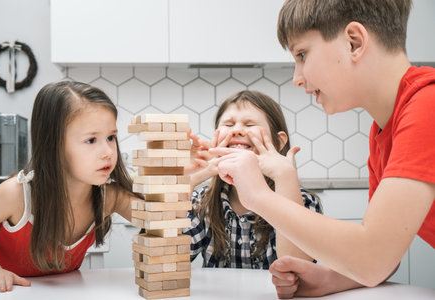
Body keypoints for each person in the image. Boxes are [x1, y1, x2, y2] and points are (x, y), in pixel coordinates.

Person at [210, 0, 435, 297]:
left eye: (302, 54)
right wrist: (330, 279)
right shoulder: (384, 129)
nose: (297, 78)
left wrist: (257, 195)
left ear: (354, 42)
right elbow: (386, 253)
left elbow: (373, 256)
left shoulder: (427, 107)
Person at [0, 81, 143, 293]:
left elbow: (163, 220)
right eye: (91, 140)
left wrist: (184, 174)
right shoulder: (16, 194)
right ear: (54, 144)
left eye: (111, 137)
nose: (108, 151)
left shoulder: (109, 196)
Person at [183, 90, 322, 269]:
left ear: (279, 142)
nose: (237, 130)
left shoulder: (303, 203)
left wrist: (285, 175)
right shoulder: (200, 202)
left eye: (249, 124)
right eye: (229, 124)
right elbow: (163, 264)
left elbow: (297, 267)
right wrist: (185, 183)